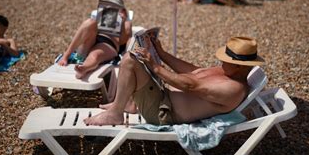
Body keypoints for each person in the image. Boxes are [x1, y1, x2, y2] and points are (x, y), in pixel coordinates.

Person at [84, 36, 264, 126]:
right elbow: (194, 72)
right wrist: (162, 54)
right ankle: (127, 103)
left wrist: (155, 66)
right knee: (134, 43)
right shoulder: (227, 72)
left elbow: (190, 85)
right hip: (162, 96)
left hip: (162, 111)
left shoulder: (233, 90)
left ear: (240, 66)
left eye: (227, 59)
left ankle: (115, 113)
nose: (222, 61)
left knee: (130, 60)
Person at [57, 0, 132, 79]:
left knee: (95, 55)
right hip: (93, 39)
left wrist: (123, 21)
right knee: (90, 22)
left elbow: (123, 43)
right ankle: (66, 55)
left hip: (109, 43)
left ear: (123, 11)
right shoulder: (101, 17)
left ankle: (83, 68)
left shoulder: (126, 23)